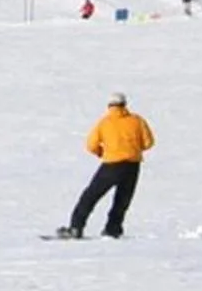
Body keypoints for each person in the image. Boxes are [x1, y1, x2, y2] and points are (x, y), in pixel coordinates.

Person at [56, 93, 155, 239]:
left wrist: (101, 152)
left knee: (90, 196)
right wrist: (133, 149)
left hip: (111, 165)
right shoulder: (137, 120)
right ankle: (113, 229)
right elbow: (148, 142)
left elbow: (91, 145)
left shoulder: (104, 123)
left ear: (109, 106)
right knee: (122, 200)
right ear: (124, 105)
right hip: (132, 166)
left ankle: (76, 227)